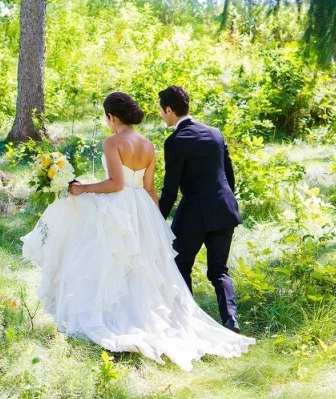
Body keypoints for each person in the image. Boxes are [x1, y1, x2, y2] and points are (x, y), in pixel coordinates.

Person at [21, 91, 254, 370]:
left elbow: (116, 184)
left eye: (107, 118)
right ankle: (181, 317)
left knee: (114, 259)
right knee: (148, 264)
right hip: (146, 207)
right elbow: (151, 188)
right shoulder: (149, 144)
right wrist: (154, 222)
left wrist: (83, 188)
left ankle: (117, 313)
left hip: (120, 205)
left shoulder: (112, 142)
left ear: (112, 117)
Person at [158, 85, 243, 333]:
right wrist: (227, 200)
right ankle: (231, 320)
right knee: (219, 270)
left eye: (161, 111)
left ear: (170, 110)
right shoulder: (215, 133)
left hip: (194, 214)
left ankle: (188, 321)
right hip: (224, 209)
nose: (161, 115)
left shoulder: (175, 141)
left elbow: (170, 189)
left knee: (180, 265)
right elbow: (229, 175)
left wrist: (156, 217)